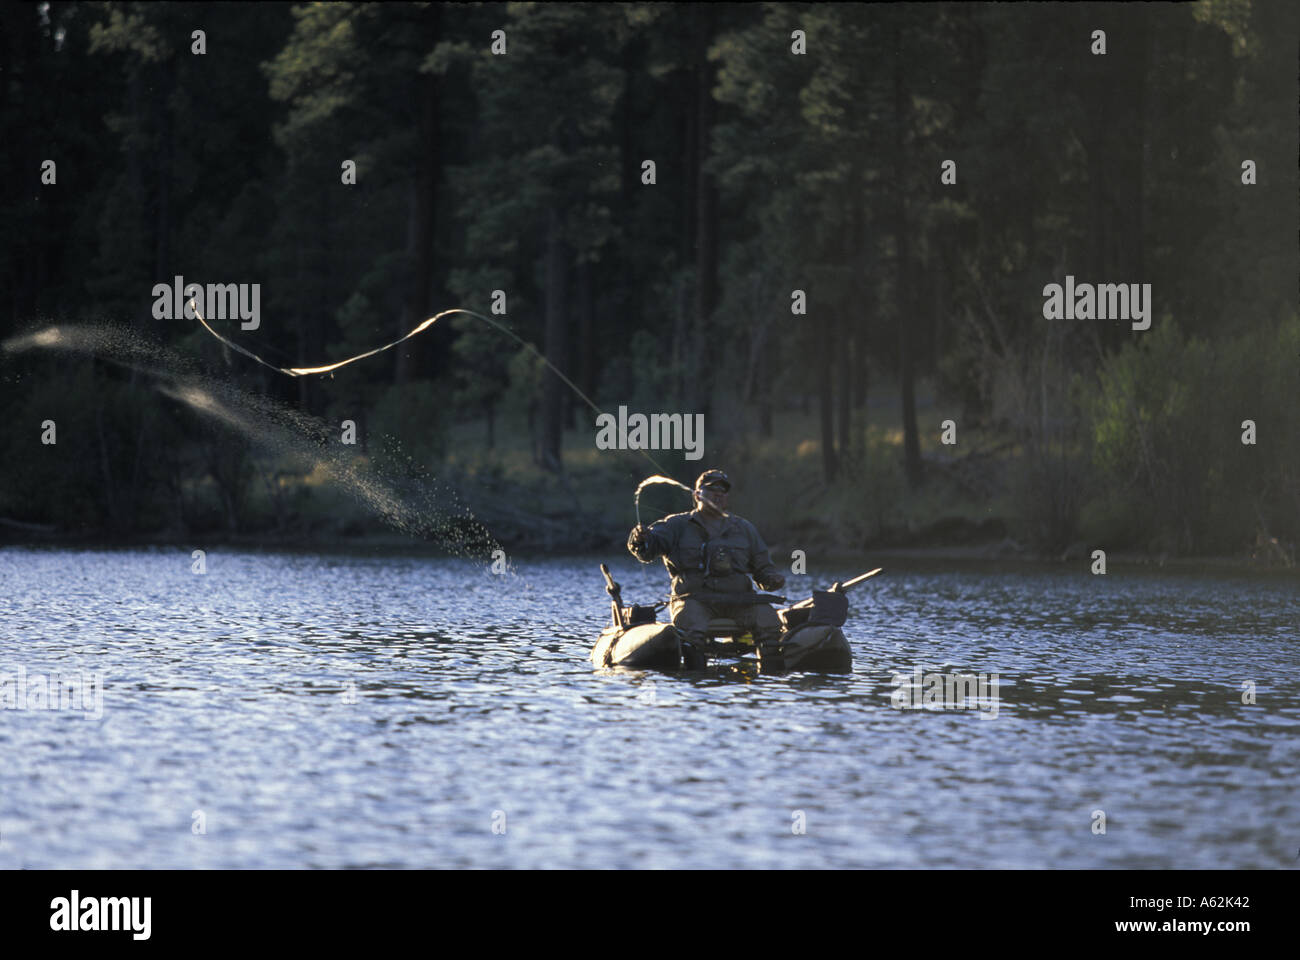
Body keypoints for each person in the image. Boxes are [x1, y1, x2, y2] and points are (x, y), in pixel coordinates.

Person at [627, 469, 786, 646]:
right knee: (692, 627)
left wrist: (773, 579)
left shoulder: (744, 528)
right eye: (711, 489)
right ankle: (695, 671)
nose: (718, 494)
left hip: (740, 601)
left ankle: (767, 668)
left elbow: (763, 567)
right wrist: (641, 539)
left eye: (722, 491)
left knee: (768, 619)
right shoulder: (676, 524)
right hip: (694, 601)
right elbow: (648, 550)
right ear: (697, 495)